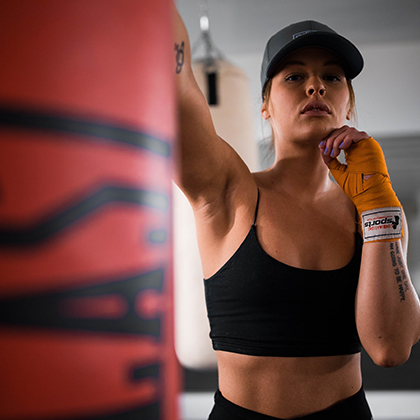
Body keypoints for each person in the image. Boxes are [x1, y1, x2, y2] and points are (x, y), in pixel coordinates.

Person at [173, 6, 420, 420]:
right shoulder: (228, 191)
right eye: (294, 77)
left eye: (332, 77)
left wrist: (378, 201)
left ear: (348, 103)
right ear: (265, 105)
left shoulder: (377, 213)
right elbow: (175, 93)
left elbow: (390, 349)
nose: (315, 86)